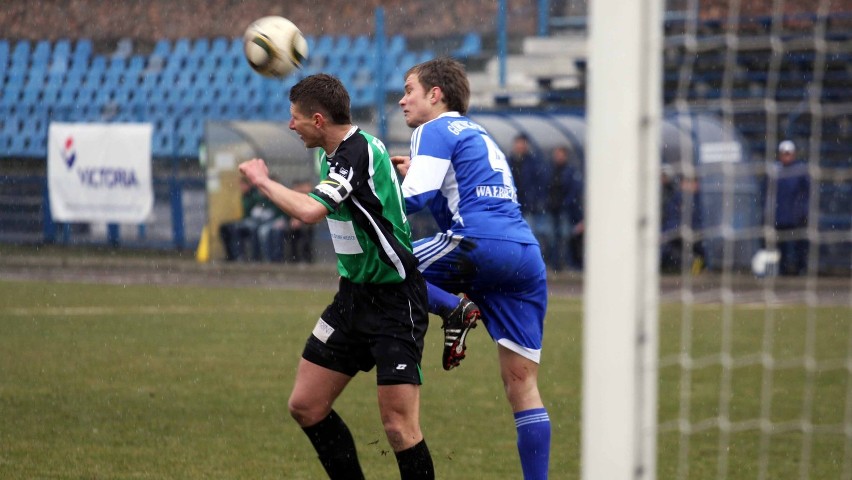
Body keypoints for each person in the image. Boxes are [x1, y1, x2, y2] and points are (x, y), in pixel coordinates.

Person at [239, 74, 434, 479]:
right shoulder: (334, 152)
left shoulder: (356, 151)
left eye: (295, 119)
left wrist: (261, 181)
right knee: (306, 406)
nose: (290, 126)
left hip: (395, 300)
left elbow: (311, 211)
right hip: (352, 298)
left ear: (318, 119)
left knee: (399, 427)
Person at [393, 57, 551, 479]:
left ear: (435, 94)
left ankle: (453, 308)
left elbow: (413, 199)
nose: (402, 99)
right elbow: (459, 190)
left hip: (480, 245)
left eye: (410, 89)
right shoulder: (481, 133)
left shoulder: (433, 128)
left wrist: (367, 187)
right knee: (522, 385)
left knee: (384, 267)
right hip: (523, 255)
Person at [219, 177, 285, 262]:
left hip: (272, 221)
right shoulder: (249, 196)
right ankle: (235, 256)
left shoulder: (256, 195)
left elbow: (278, 213)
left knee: (262, 231)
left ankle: (269, 259)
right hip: (256, 220)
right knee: (227, 228)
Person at [772, 140, 810, 275]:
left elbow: (806, 193)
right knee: (781, 246)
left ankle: (801, 269)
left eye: (788, 154)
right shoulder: (775, 171)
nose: (786, 156)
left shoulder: (800, 171)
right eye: (784, 154)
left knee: (800, 245)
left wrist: (802, 211)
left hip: (796, 216)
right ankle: (783, 270)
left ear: (793, 154)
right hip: (780, 215)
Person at [544, 145, 584, 272]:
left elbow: (574, 190)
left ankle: (565, 264)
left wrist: (566, 203)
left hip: (564, 210)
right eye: (556, 154)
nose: (558, 157)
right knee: (551, 237)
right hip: (551, 209)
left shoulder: (570, 171)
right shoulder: (549, 170)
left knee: (564, 237)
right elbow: (544, 188)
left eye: (560, 154)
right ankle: (554, 263)